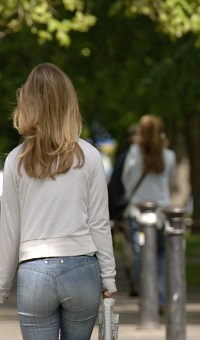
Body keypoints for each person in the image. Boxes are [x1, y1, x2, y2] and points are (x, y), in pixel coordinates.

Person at [0, 63, 117, 340]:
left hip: (34, 272)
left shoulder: (16, 161)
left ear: (27, 103)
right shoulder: (89, 156)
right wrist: (109, 279)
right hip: (82, 270)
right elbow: (99, 223)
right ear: (69, 102)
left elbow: (9, 229)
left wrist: (2, 285)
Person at [122, 114, 176, 314]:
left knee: (140, 255)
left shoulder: (135, 152)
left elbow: (125, 178)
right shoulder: (169, 155)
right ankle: (160, 298)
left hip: (138, 212)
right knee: (161, 255)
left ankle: (146, 297)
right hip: (161, 214)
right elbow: (171, 178)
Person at [108, 124, 139, 296]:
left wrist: (111, 212)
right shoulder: (154, 156)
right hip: (148, 210)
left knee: (129, 247)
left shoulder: (122, 158)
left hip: (124, 209)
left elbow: (113, 187)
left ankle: (135, 281)